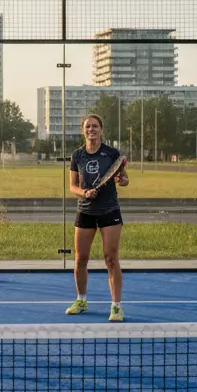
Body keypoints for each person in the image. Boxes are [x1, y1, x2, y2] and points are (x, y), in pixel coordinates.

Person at [66, 113, 130, 321]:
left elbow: (124, 178)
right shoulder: (77, 155)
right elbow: (72, 186)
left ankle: (116, 307)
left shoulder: (112, 153)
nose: (91, 129)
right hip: (85, 210)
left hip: (109, 210)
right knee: (80, 259)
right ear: (83, 130)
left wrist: (122, 179)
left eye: (95, 126)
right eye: (88, 126)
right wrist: (84, 193)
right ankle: (81, 300)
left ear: (101, 130)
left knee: (111, 259)